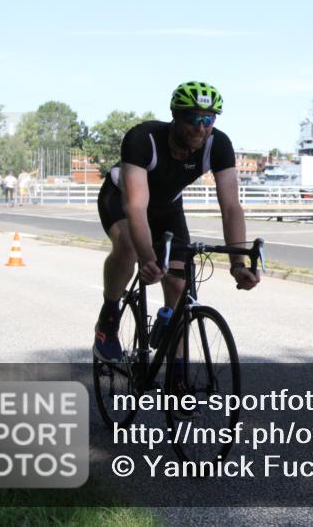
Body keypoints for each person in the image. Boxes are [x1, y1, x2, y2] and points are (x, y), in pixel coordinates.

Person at [93, 81, 260, 362]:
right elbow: (136, 207)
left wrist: (237, 264)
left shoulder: (218, 144)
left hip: (167, 207)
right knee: (128, 247)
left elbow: (231, 208)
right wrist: (149, 259)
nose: (200, 128)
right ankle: (108, 320)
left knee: (178, 286)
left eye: (208, 120)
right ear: (175, 115)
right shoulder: (143, 138)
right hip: (122, 199)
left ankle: (178, 374)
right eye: (192, 118)